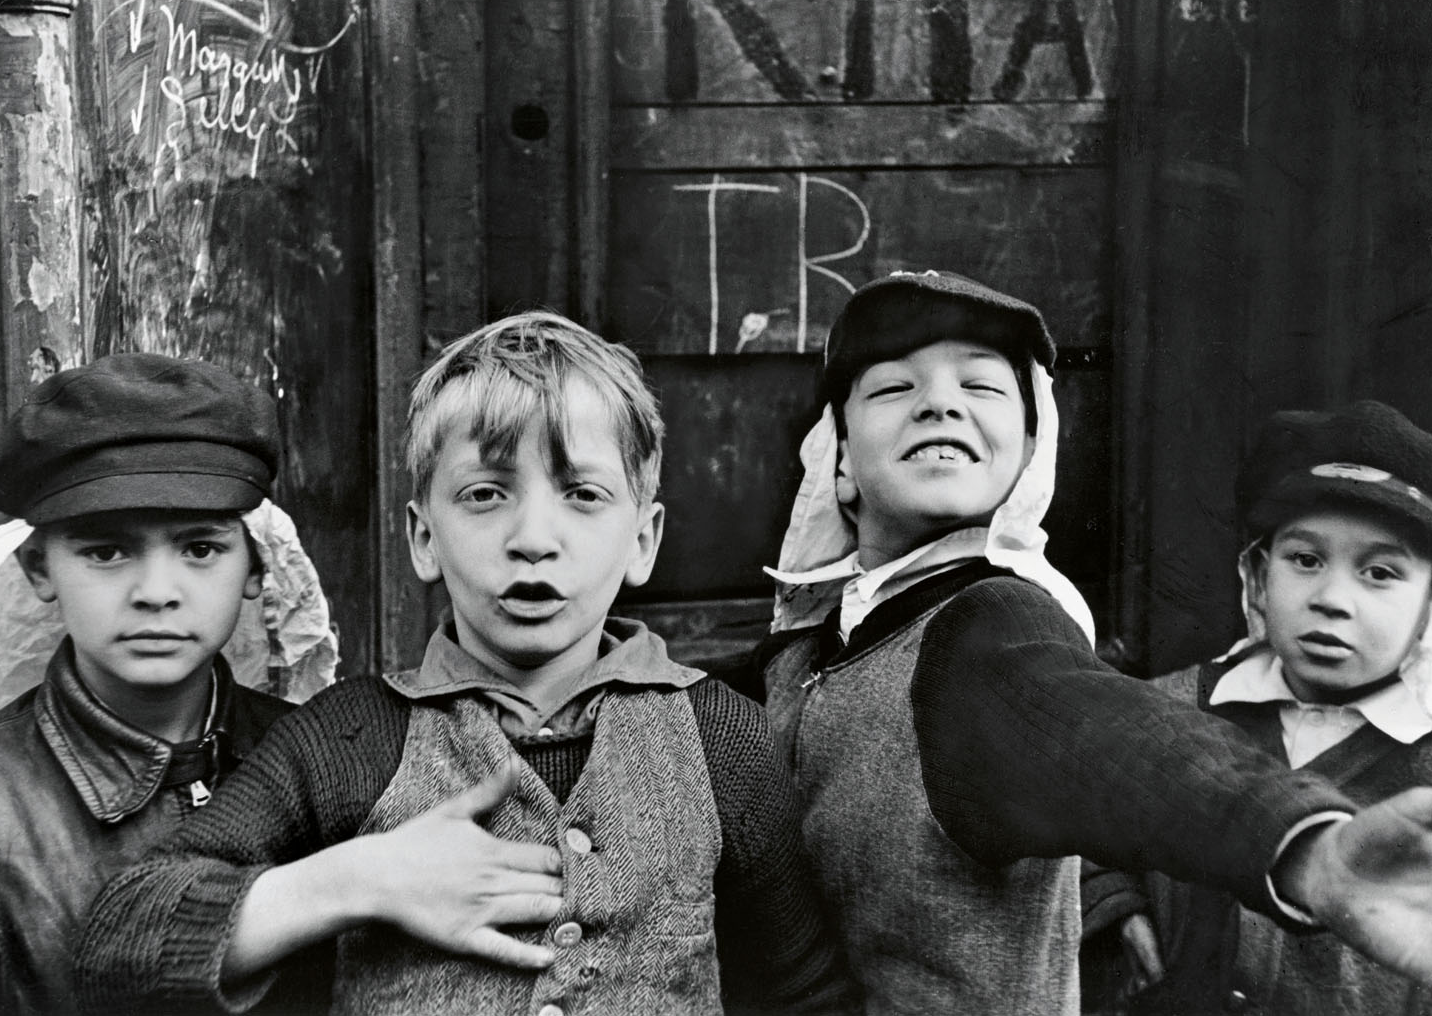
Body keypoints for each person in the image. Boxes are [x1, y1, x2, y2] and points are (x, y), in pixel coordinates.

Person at [76, 311, 851, 1015]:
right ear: (423, 538)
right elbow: (120, 940)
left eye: (582, 494)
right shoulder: (349, 741)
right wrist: (358, 880)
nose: (533, 538)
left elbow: (806, 995)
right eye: (485, 494)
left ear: (643, 541)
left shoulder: (723, 742)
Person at [743, 269, 1432, 1014]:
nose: (939, 401)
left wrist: (1305, 846)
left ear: (1030, 448)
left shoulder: (989, 627)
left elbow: (1121, 741)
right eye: (891, 389)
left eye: (981, 388)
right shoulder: (807, 650)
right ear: (839, 461)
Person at [0, 353, 307, 1015]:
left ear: (255, 565)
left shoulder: (319, 757)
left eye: (199, 548)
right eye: (106, 551)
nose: (156, 594)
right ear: (39, 568)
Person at [1081, 400, 1432, 1015]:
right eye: (1306, 560)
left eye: (1379, 573)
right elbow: (1083, 815)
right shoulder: (1171, 708)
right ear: (1259, 576)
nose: (1331, 599)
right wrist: (1113, 905)